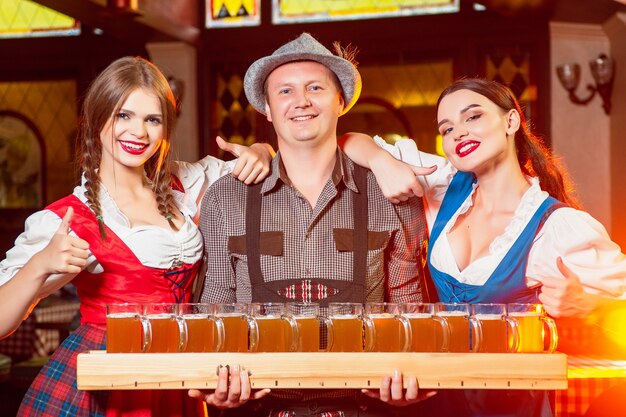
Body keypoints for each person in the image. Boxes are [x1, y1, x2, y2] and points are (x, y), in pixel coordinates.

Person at [0, 56, 273, 417]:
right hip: (105, 380)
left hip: (178, 374)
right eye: (123, 115)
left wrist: (261, 150)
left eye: (152, 119)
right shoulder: (67, 218)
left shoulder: (186, 185)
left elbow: (268, 163)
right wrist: (40, 264)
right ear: (97, 119)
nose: (139, 132)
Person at [341, 78, 626, 417]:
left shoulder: (556, 228)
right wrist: (381, 160)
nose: (457, 133)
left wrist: (589, 305)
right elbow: (346, 140)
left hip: (511, 406)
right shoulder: (443, 186)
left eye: (472, 117)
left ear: (511, 121)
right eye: (446, 128)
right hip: (432, 400)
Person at [194, 33, 432, 416]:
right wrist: (209, 380)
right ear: (268, 109)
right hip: (256, 407)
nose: (301, 101)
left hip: (364, 406)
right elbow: (215, 301)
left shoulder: (392, 192)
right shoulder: (226, 197)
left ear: (340, 101)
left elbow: (408, 303)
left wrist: (416, 373)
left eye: (315, 87)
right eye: (285, 91)